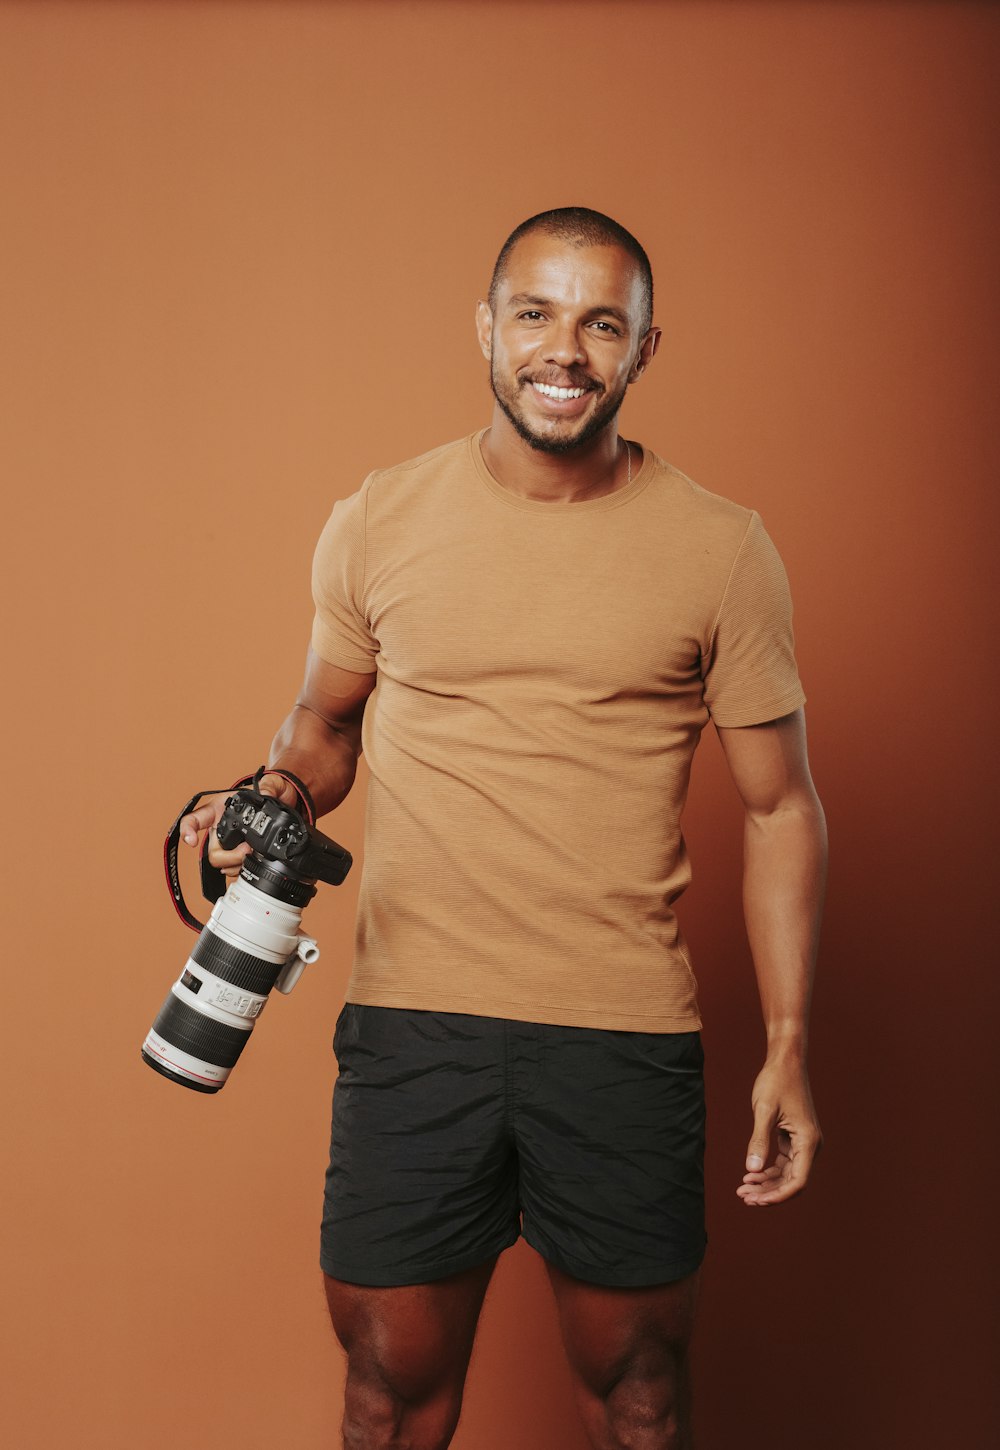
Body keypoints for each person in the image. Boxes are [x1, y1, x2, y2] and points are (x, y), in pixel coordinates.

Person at [181, 207, 826, 1450]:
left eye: (601, 322)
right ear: (486, 326)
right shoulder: (377, 516)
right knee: (383, 1386)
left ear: (644, 349)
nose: (564, 349)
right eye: (535, 312)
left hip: (623, 1032)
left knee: (638, 1390)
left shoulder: (722, 549)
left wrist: (789, 1041)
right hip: (416, 1025)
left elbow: (780, 804)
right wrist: (271, 791)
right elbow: (322, 724)